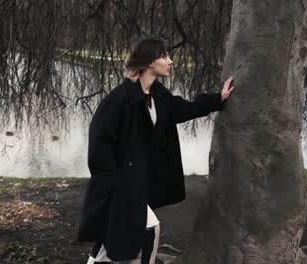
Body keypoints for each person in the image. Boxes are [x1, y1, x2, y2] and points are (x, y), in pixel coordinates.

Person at [74, 38, 236, 264]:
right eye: (165, 56)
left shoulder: (158, 95)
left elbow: (183, 109)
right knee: (150, 228)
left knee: (108, 238)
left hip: (138, 183)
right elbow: (99, 144)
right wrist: (114, 182)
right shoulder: (119, 99)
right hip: (120, 186)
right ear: (150, 62)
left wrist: (217, 99)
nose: (170, 61)